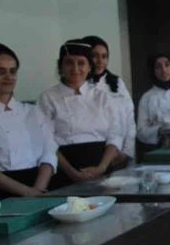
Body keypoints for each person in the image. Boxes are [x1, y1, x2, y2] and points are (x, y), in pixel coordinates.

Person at [38, 40, 124, 189]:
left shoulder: (102, 97)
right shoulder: (48, 97)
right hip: (64, 170)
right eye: (69, 63)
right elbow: (46, 141)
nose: (75, 68)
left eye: (81, 63)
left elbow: (115, 135)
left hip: (102, 168)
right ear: (61, 67)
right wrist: (72, 173)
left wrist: (102, 168)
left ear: (90, 67)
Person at [0, 43, 57, 198]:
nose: (8, 77)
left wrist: (38, 189)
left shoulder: (32, 111)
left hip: (38, 186)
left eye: (13, 71)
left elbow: (49, 151)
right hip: (0, 193)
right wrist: (26, 192)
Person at [81, 35, 135, 167]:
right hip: (96, 155)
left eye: (104, 56)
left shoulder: (117, 83)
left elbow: (129, 119)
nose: (100, 61)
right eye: (95, 56)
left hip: (122, 154)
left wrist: (127, 152)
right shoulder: (80, 85)